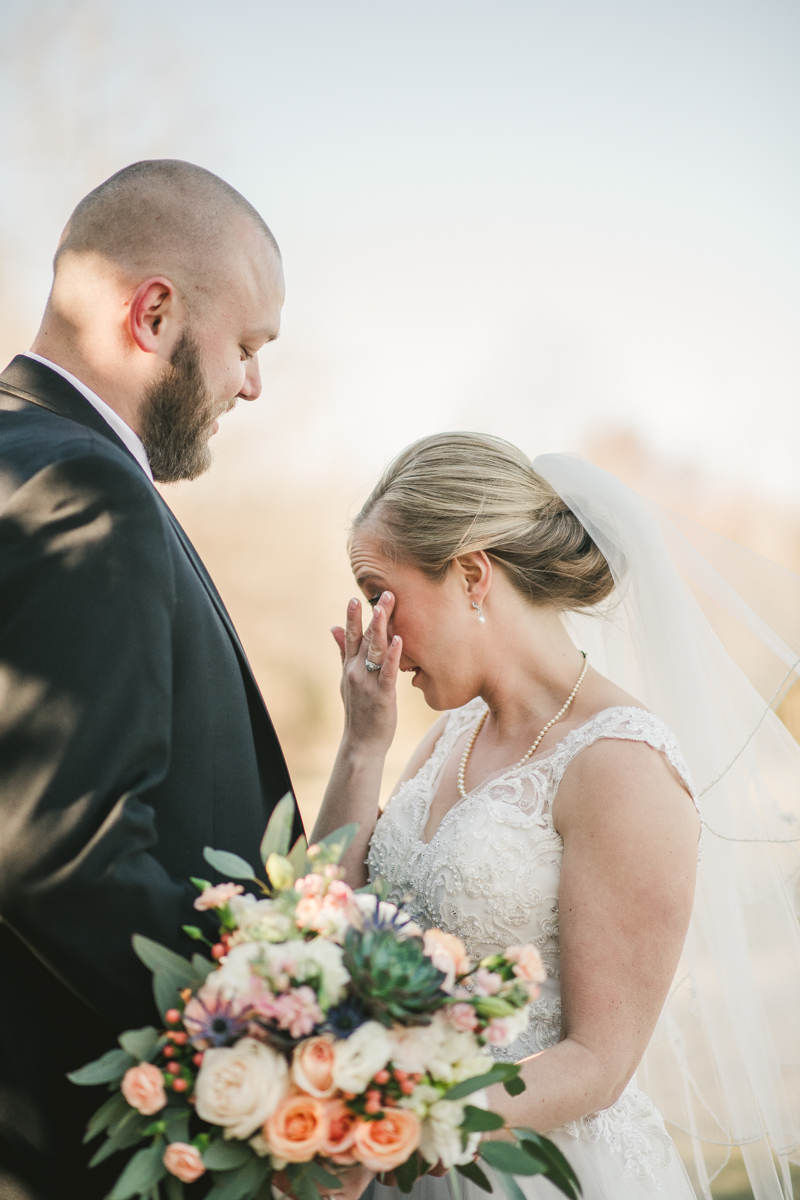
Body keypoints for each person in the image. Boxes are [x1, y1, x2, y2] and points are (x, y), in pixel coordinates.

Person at [312, 433, 800, 1200]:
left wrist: (407, 1123)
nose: (378, 629)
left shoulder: (622, 765)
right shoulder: (446, 738)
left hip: (535, 1172)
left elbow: (598, 1062)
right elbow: (325, 927)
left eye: (383, 591)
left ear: (472, 574)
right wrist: (361, 746)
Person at [0, 160, 302, 1200]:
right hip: (77, 1144)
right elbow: (61, 849)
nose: (251, 386)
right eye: (248, 347)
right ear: (156, 312)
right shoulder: (84, 491)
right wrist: (274, 1035)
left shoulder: (21, 454)